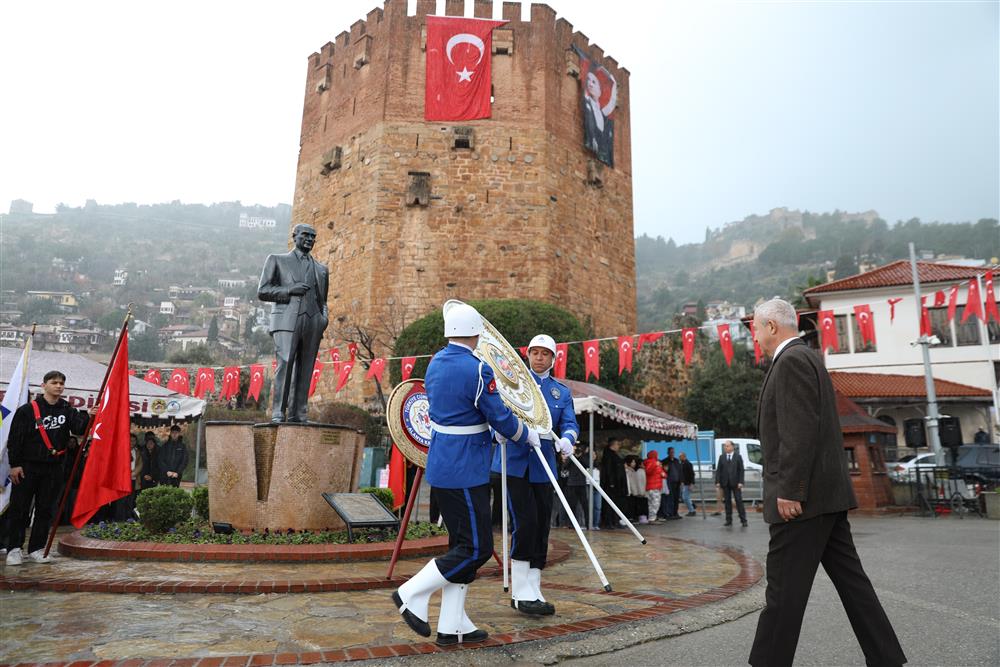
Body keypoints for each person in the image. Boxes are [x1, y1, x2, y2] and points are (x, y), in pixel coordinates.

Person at [749, 298, 906, 667]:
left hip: (804, 503)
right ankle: (887, 659)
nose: (755, 337)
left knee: (783, 594)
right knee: (854, 585)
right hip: (825, 499)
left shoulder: (791, 362)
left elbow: (798, 432)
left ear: (772, 326)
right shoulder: (804, 359)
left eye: (757, 328)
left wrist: (790, 489)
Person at [392, 302, 536, 646]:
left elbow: (461, 412)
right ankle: (410, 593)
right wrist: (522, 434)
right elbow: (497, 413)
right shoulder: (478, 369)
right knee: (476, 549)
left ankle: (452, 623)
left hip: (442, 462)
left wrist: (490, 428)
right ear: (475, 332)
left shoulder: (435, 363)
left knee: (460, 545)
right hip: (465, 468)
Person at [491, 334, 578, 616]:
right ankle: (520, 590)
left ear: (554, 358)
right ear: (527, 355)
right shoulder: (512, 383)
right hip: (515, 463)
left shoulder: (560, 392)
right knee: (524, 523)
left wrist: (568, 438)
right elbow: (496, 413)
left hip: (544, 466)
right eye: (535, 352)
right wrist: (498, 433)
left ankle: (534, 586)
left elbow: (569, 423)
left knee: (541, 526)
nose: (539, 358)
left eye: (545, 354)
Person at [5, 370, 95, 566]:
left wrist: (90, 416)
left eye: (62, 383)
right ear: (44, 385)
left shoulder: (67, 410)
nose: (59, 386)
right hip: (28, 466)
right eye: (54, 382)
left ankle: (37, 548)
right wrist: (15, 465)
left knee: (45, 510)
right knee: (20, 509)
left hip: (54, 468)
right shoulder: (28, 410)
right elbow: (15, 439)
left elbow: (80, 429)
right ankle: (14, 548)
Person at [257, 223, 330, 423]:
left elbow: (323, 300)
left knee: (306, 367)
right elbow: (263, 291)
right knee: (286, 362)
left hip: (313, 321)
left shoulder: (322, 270)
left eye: (313, 237)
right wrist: (289, 290)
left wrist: (323, 319)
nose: (309, 239)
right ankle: (278, 411)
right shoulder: (277, 260)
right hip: (286, 319)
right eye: (305, 235)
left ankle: (299, 412)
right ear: (295, 236)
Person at [715, 441, 747, 527]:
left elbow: (741, 470)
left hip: (736, 483)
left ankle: (743, 520)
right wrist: (717, 481)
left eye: (727, 446)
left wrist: (741, 482)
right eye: (725, 446)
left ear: (732, 447)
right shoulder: (722, 457)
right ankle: (728, 520)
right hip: (725, 483)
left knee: (739, 501)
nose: (726, 448)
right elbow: (718, 470)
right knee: (727, 502)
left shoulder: (738, 457)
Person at [598, 438, 626, 528]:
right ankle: (609, 522)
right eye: (617, 444)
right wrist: (611, 482)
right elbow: (608, 470)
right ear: (612, 445)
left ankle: (615, 521)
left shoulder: (614, 455)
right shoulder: (608, 455)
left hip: (617, 484)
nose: (618, 446)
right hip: (611, 485)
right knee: (609, 504)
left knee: (615, 503)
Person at [643, 450, 664, 523]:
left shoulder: (655, 463)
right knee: (655, 503)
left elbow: (662, 473)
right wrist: (656, 464)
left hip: (655, 486)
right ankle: (652, 518)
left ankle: (653, 517)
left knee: (652, 503)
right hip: (653, 487)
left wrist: (663, 474)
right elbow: (648, 471)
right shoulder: (652, 462)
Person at [662, 447, 683, 519]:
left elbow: (680, 471)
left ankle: (675, 512)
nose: (672, 453)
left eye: (673, 452)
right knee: (670, 498)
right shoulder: (665, 461)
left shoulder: (677, 461)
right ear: (668, 453)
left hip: (677, 482)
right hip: (669, 483)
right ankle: (670, 513)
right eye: (671, 452)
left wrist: (681, 480)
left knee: (676, 498)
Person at [679, 452, 697, 516]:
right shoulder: (682, 463)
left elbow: (692, 474)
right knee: (686, 497)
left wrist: (692, 483)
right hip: (684, 483)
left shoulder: (688, 464)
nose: (679, 457)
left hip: (688, 483)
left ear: (684, 456)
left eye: (680, 456)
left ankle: (692, 510)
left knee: (685, 497)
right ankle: (692, 506)